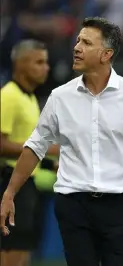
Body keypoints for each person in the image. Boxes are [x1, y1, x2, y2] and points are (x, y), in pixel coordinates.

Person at [0, 17, 123, 266]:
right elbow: (35, 147)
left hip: (120, 208)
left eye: (86, 42)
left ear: (106, 54)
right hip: (74, 206)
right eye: (77, 40)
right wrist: (9, 193)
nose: (76, 47)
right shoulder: (60, 97)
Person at [0, 40, 59, 266]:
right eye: (39, 62)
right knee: (11, 252)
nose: (46, 68)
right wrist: (46, 148)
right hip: (9, 184)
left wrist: (50, 164)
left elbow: (24, 151)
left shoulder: (30, 98)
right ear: (21, 64)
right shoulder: (9, 96)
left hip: (27, 185)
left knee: (22, 251)